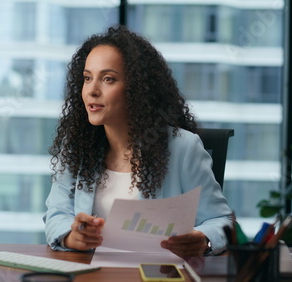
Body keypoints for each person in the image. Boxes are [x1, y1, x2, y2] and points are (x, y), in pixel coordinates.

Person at [43, 25, 232, 258]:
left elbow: (221, 221)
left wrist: (204, 240)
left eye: (108, 79)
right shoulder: (76, 148)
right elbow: (56, 214)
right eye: (87, 78)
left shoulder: (183, 148)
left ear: (136, 89)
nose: (92, 91)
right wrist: (72, 236)